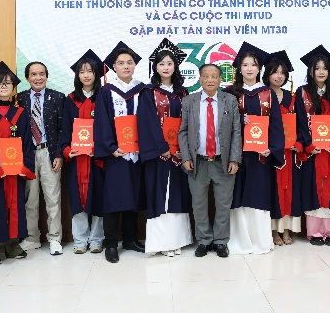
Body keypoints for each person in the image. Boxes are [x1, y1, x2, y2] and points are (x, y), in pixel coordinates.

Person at [226, 42, 285, 255]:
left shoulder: (268, 94)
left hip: (261, 156)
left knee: (259, 195)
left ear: (259, 68)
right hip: (237, 155)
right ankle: (240, 241)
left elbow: (276, 124)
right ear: (239, 68)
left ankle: (260, 241)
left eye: (253, 65)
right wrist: (238, 119)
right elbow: (222, 123)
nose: (249, 68)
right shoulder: (230, 93)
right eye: (245, 65)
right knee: (238, 196)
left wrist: (272, 148)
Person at [179, 63, 242, 258]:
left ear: (220, 79)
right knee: (199, 204)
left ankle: (221, 241)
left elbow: (236, 131)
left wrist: (234, 159)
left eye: (214, 76)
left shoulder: (230, 100)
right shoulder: (189, 101)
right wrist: (186, 157)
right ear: (200, 79)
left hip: (223, 161)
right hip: (198, 161)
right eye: (206, 76)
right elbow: (183, 131)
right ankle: (204, 240)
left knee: (223, 203)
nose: (210, 80)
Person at [137, 39, 193, 257]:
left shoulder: (183, 93)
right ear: (155, 67)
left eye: (170, 63)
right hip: (159, 154)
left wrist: (183, 148)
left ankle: (177, 240)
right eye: (162, 64)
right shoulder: (148, 92)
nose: (166, 67)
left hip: (179, 153)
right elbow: (147, 122)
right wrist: (161, 147)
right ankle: (161, 242)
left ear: (175, 66)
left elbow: (188, 123)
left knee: (178, 195)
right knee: (160, 196)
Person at [0, 62, 36, 265]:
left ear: (13, 87)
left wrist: (24, 165)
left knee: (15, 206)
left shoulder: (20, 114)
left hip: (15, 171)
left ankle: (12, 244)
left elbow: (27, 143)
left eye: (8, 83)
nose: (4, 86)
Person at [93, 42, 146, 263]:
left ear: (134, 65)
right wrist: (111, 147)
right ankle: (111, 243)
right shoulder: (106, 91)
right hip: (117, 154)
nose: (126, 66)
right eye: (121, 63)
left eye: (129, 62)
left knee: (134, 196)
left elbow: (148, 121)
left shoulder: (143, 90)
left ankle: (131, 239)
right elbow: (101, 121)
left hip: (137, 154)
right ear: (114, 66)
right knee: (114, 199)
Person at [295, 45, 330, 246]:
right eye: (317, 68)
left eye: (325, 68)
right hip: (313, 153)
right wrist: (308, 145)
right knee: (313, 190)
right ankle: (315, 233)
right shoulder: (302, 93)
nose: (321, 72)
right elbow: (300, 121)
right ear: (310, 71)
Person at [59, 50, 105, 254]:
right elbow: (65, 130)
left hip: (97, 159)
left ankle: (96, 240)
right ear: (77, 75)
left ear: (96, 74)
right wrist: (67, 150)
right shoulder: (70, 100)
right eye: (82, 71)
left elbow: (108, 129)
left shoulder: (103, 97)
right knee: (77, 199)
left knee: (98, 198)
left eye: (90, 71)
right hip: (77, 159)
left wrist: (100, 148)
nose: (86, 75)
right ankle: (79, 240)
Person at [17, 62, 65, 256]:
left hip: (49, 152)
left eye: (42, 74)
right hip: (28, 154)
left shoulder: (58, 97)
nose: (38, 78)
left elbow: (62, 129)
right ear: (27, 78)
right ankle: (32, 238)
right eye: (34, 74)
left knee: (53, 199)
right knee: (31, 199)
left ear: (47, 76)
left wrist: (59, 154)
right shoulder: (20, 98)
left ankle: (54, 238)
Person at [262, 50, 302, 246]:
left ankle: (286, 229)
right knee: (273, 191)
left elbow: (301, 124)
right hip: (269, 153)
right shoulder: (261, 95)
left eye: (282, 73)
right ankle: (273, 232)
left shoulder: (291, 97)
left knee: (288, 191)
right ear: (267, 74)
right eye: (275, 72)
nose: (279, 76)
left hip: (289, 153)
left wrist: (299, 144)